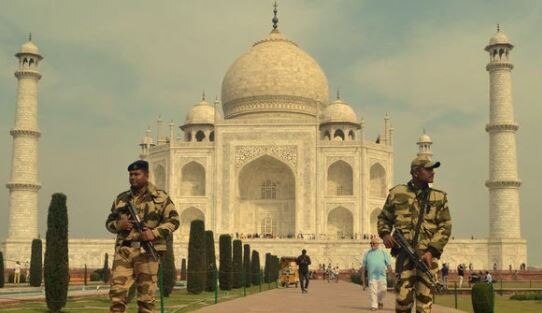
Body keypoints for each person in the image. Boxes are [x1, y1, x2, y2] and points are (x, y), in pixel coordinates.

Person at [377, 155, 452, 313]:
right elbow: (384, 217)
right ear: (416, 172)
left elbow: (445, 226)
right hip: (405, 257)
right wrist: (385, 234)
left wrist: (431, 251)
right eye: (428, 169)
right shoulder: (398, 193)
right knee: (403, 303)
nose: (432, 172)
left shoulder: (438, 197)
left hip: (427, 259)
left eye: (433, 169)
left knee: (424, 306)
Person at [106, 160, 180, 313]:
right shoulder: (121, 199)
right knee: (117, 293)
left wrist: (153, 233)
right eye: (131, 175)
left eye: (137, 174)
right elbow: (109, 222)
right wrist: (119, 225)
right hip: (125, 252)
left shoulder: (160, 197)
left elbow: (174, 221)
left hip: (147, 252)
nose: (133, 177)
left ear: (146, 175)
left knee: (146, 298)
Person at [361, 238, 392, 311]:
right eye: (371, 243)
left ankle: (380, 300)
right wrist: (363, 281)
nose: (372, 245)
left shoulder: (383, 252)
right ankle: (374, 305)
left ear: (378, 244)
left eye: (373, 243)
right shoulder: (367, 253)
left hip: (382, 276)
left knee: (383, 290)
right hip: (372, 276)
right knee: (373, 291)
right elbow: (364, 267)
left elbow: (388, 265)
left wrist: (391, 274)